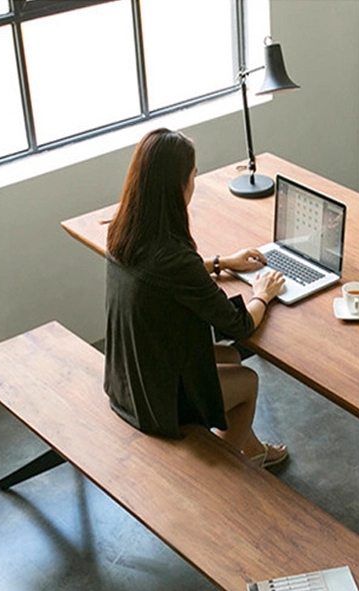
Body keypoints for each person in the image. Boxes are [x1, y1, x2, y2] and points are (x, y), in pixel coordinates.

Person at [104, 128, 287, 467]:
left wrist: (221, 263)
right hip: (156, 403)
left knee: (228, 357)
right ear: (177, 187)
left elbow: (161, 275)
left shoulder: (124, 232)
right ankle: (231, 477)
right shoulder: (174, 256)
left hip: (127, 377)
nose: (194, 183)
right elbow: (240, 323)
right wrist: (263, 293)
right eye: (193, 176)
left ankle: (255, 449)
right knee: (247, 381)